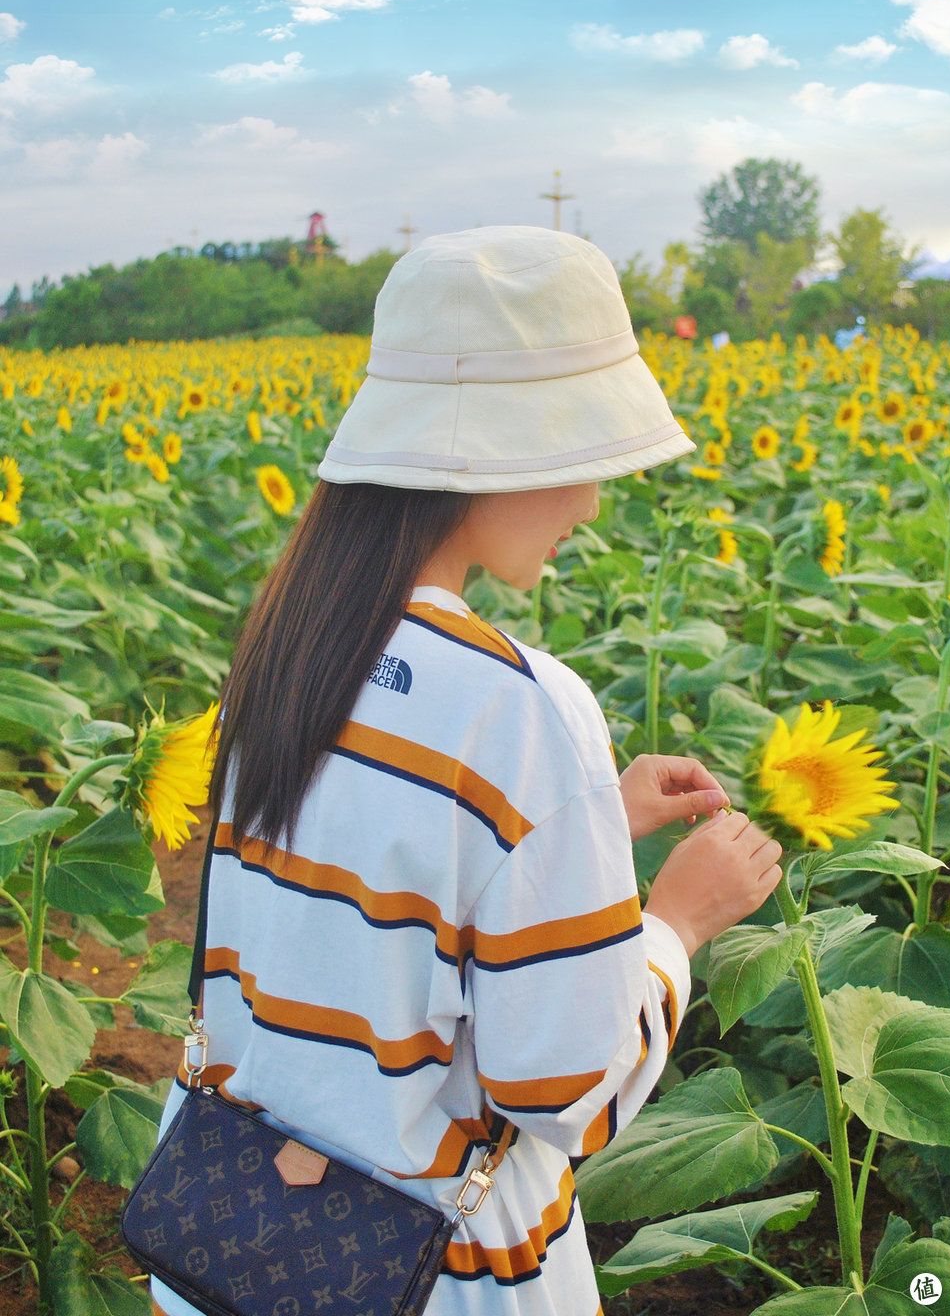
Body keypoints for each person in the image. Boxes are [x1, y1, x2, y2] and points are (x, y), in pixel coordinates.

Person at [150, 226, 782, 1316]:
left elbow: (362, 883)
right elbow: (563, 1092)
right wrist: (677, 924)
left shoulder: (287, 647)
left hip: (239, 1237)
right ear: (492, 458)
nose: (590, 503)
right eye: (577, 458)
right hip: (427, 1270)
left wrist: (586, 827)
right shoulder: (521, 708)